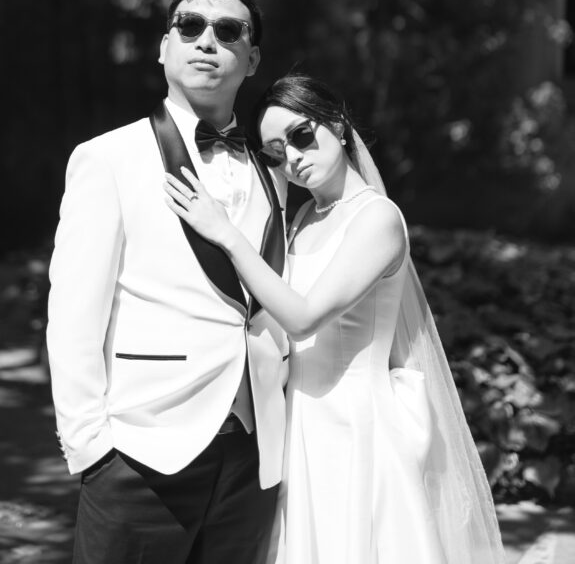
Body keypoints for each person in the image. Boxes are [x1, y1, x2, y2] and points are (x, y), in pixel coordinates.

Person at [165, 73, 506, 564]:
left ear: (339, 126)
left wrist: (224, 233)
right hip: (301, 424)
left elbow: (303, 318)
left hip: (357, 427)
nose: (295, 158)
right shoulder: (304, 219)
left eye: (302, 135)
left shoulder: (378, 219)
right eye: (276, 153)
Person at [47, 0, 288, 564]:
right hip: (140, 451)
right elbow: (74, 314)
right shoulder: (107, 158)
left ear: (251, 58)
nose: (207, 40)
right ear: (164, 46)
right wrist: (92, 452)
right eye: (189, 26)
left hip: (255, 454)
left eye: (228, 31)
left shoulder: (278, 168)